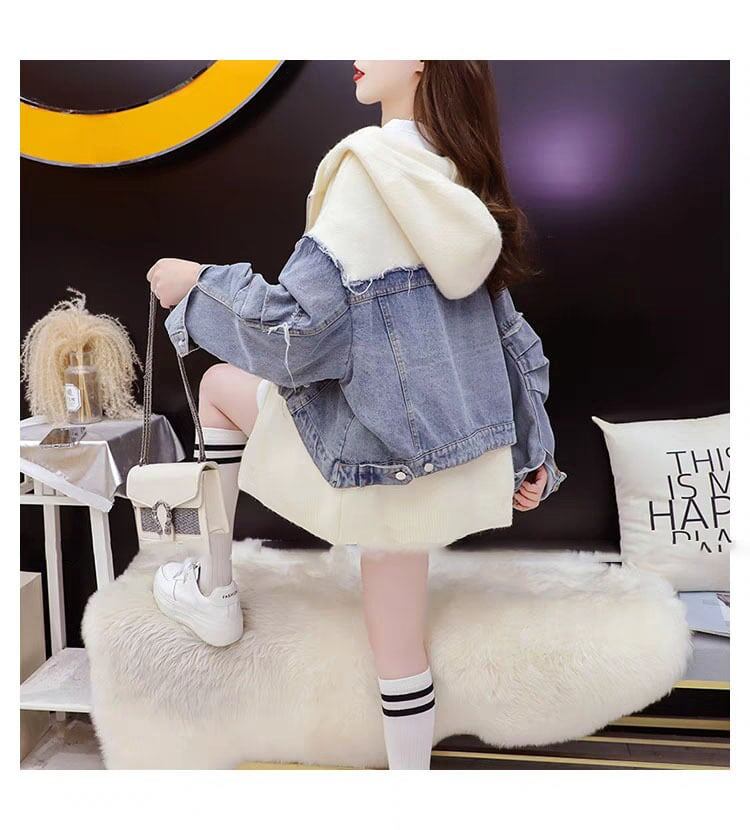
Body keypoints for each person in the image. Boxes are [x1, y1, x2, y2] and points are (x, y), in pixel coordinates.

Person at [146, 60, 566, 770]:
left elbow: (300, 336)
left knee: (216, 382)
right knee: (399, 645)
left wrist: (199, 284)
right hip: (455, 463)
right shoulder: (457, 177)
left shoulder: (364, 167)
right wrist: (536, 453)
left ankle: (214, 591)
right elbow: (509, 339)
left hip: (373, 459)